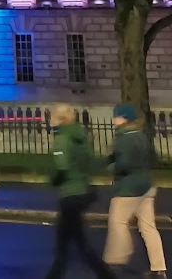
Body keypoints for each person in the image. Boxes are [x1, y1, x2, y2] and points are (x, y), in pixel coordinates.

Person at [43, 105, 117, 279]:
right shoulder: (80, 136)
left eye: (51, 116)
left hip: (69, 194)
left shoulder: (62, 139)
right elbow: (90, 163)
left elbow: (62, 167)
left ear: (60, 119)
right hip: (82, 191)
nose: (49, 119)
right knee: (74, 241)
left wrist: (53, 180)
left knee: (69, 243)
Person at [104, 103, 168, 279]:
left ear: (123, 119)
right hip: (146, 186)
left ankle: (116, 259)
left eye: (116, 116)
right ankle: (159, 267)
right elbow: (153, 158)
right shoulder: (141, 136)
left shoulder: (123, 138)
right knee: (148, 227)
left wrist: (112, 168)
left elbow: (123, 164)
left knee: (118, 223)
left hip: (128, 188)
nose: (113, 119)